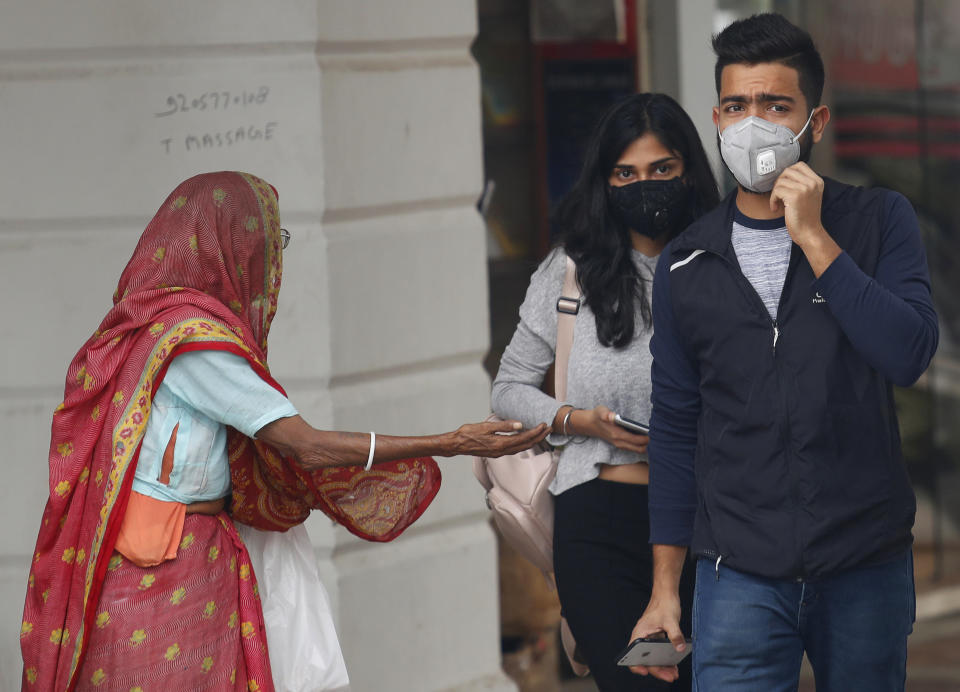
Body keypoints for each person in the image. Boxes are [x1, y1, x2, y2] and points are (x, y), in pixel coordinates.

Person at [19, 171, 549, 692]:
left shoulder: (148, 322)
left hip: (144, 562)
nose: (274, 257)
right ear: (233, 245)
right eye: (273, 240)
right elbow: (305, 446)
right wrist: (451, 443)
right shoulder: (195, 342)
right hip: (166, 573)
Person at [629, 13, 939, 692]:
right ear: (716, 118)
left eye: (776, 105)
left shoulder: (879, 221)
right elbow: (677, 431)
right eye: (737, 106)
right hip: (735, 573)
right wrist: (664, 588)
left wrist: (817, 241)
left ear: (815, 122)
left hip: (864, 564)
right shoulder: (686, 262)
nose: (753, 123)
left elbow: (908, 353)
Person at [492, 93, 719, 691]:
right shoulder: (571, 271)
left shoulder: (724, 264)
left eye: (661, 170)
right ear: (606, 181)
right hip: (600, 528)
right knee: (645, 685)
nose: (644, 186)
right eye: (626, 174)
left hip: (710, 523)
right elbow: (509, 388)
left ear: (689, 169)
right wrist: (577, 420)